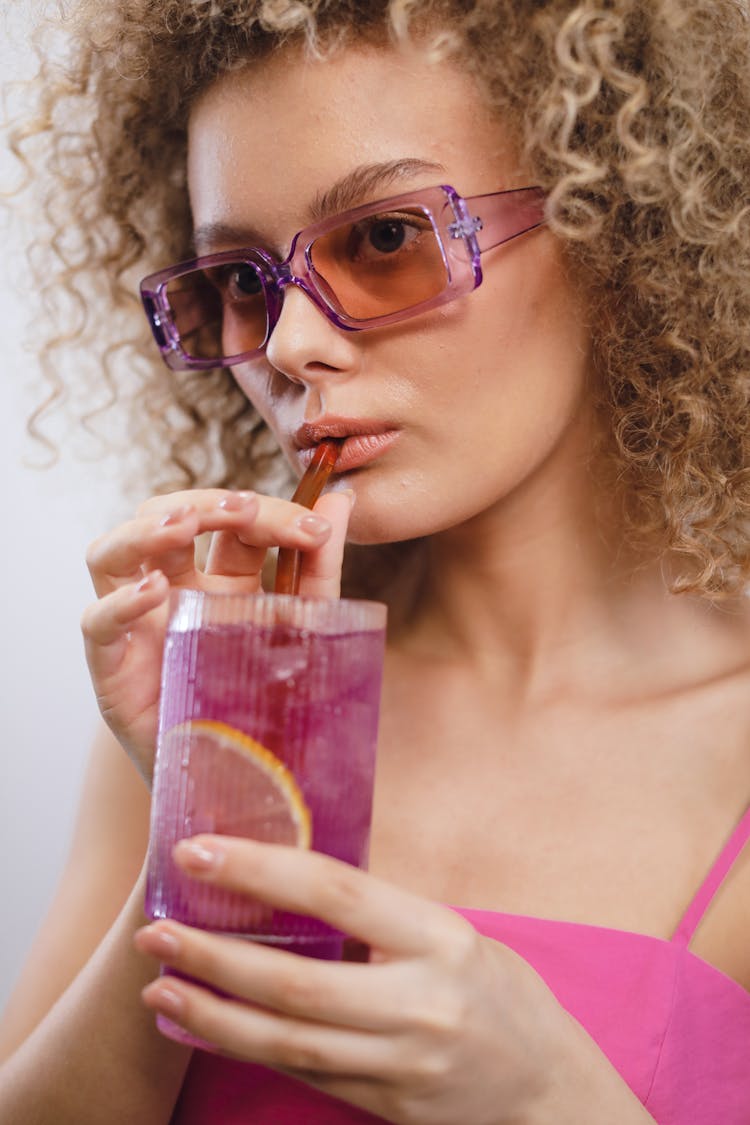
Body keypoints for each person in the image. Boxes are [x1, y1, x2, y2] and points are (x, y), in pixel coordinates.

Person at [1, 0, 750, 1121]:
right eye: (246, 282)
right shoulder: (218, 695)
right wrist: (210, 808)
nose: (291, 346)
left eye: (385, 240)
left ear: (617, 225)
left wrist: (550, 1099)